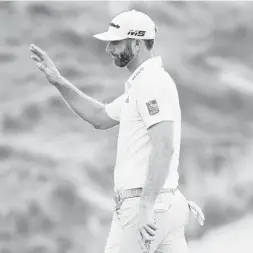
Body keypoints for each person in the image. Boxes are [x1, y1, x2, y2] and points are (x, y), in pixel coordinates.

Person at [30, 9, 204, 253]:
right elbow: (100, 118)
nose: (109, 49)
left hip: (144, 207)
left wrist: (145, 206)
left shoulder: (150, 84)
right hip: (166, 204)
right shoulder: (144, 85)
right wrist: (58, 81)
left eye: (115, 42)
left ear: (137, 42)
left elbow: (164, 146)